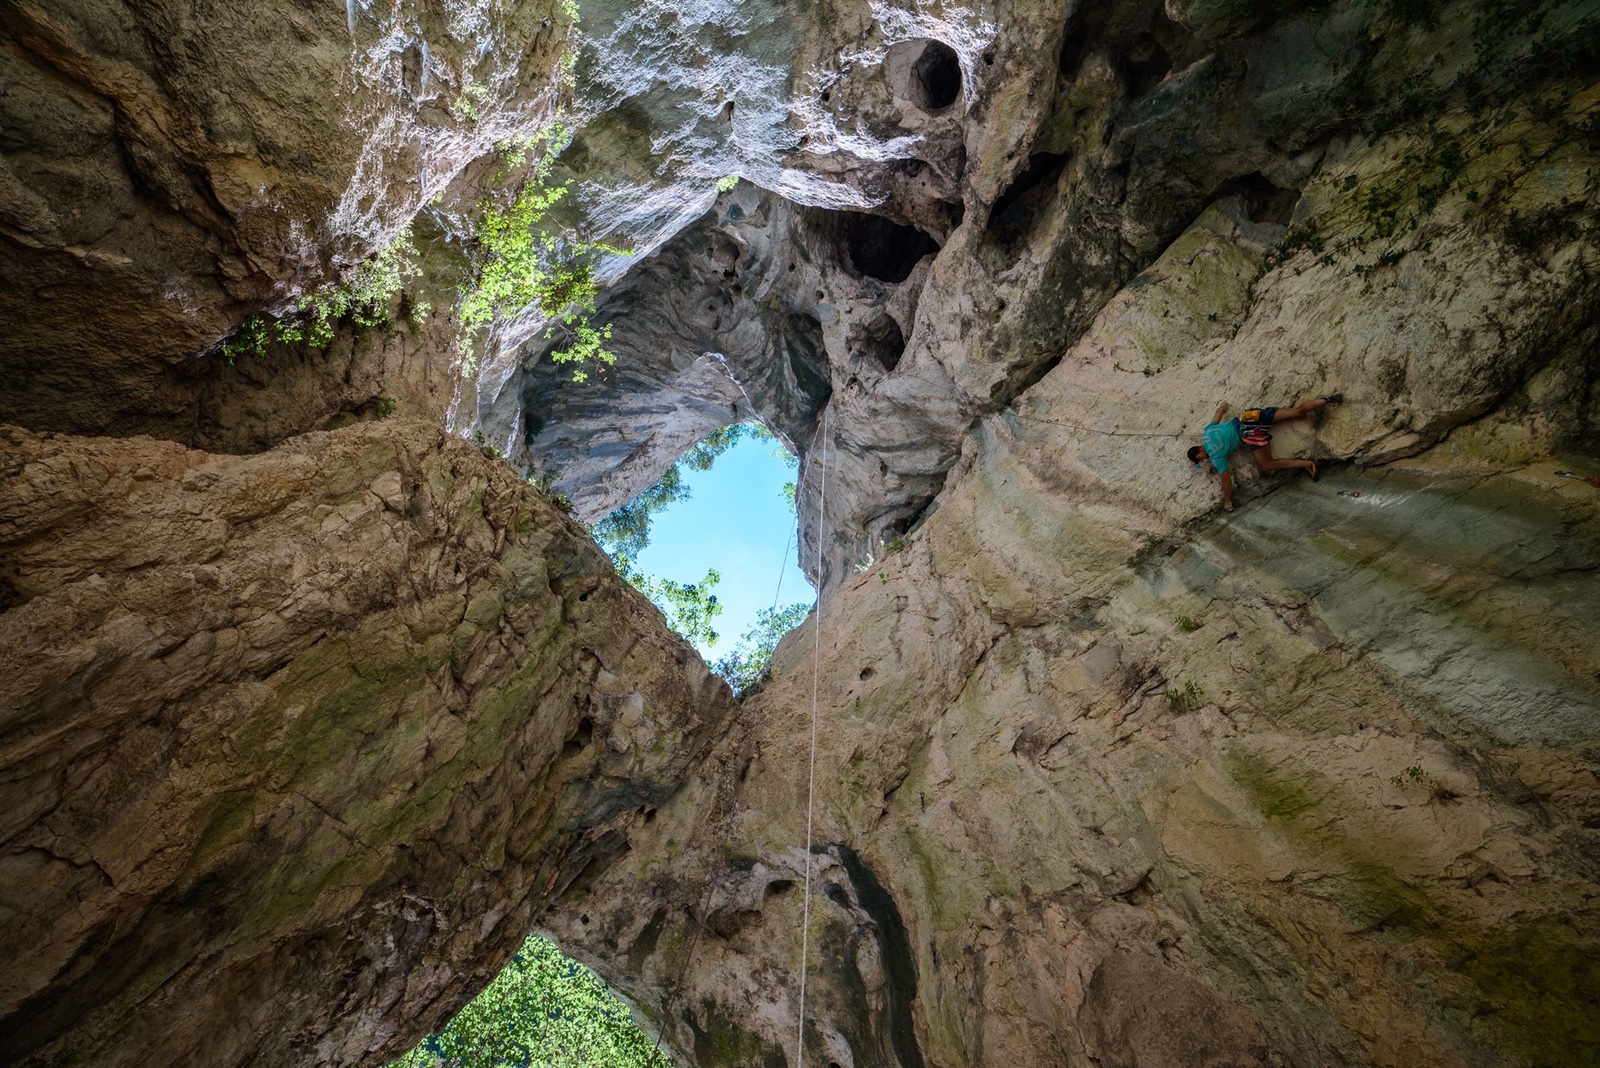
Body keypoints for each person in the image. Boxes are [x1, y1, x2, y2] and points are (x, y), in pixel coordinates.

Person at [1187, 394, 1342, 511]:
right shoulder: (1207, 431)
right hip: (1248, 416)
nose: (1204, 461)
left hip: (1249, 432)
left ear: (1199, 455)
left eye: (1201, 461)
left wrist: (1227, 500)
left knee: (1267, 465)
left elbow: (1226, 480)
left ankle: (1308, 464)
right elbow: (1219, 411)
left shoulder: (1215, 456)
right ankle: (1326, 400)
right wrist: (1224, 406)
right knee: (1297, 412)